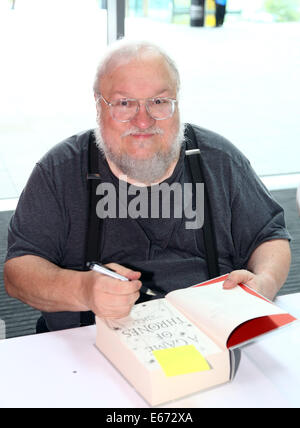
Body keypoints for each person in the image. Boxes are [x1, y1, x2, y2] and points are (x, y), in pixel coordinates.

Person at [4, 40, 291, 332]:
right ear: (98, 104)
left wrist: (264, 284)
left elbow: (269, 236)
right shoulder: (60, 171)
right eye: (124, 103)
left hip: (211, 335)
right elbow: (18, 271)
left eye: (158, 102)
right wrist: (82, 290)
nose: (143, 121)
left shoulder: (219, 160)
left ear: (177, 100)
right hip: (86, 347)